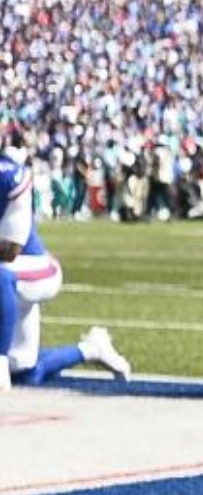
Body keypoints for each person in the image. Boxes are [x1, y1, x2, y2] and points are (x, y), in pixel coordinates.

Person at [2, 150, 130, 386]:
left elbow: (11, 250)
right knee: (24, 372)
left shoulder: (8, 174)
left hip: (31, 267)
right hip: (10, 277)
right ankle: (91, 349)